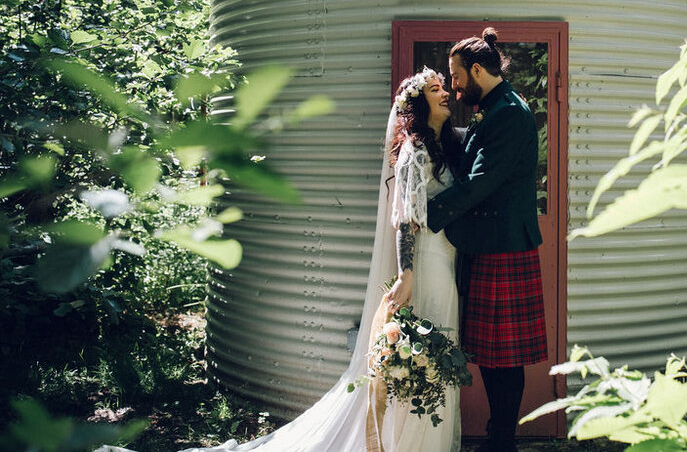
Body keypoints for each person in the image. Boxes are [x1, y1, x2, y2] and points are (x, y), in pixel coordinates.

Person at [98, 68, 463, 452]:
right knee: (425, 358)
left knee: (437, 354)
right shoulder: (414, 152)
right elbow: (404, 218)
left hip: (446, 262)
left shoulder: (446, 146)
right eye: (436, 90)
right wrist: (406, 272)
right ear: (418, 105)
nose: (445, 95)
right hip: (424, 266)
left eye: (444, 88)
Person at [426, 28, 548, 452]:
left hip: (504, 246)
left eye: (456, 77)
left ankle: (503, 443)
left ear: (478, 70)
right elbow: (471, 159)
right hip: (490, 242)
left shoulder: (510, 114)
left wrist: (427, 216)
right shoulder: (495, 109)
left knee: (505, 356)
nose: (455, 87)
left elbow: (480, 180)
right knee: (494, 356)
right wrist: (437, 131)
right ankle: (500, 438)